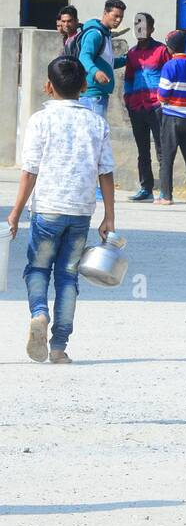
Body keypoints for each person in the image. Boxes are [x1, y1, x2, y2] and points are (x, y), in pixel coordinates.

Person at [8, 55, 115, 364]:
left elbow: (30, 171)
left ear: (47, 86)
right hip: (80, 212)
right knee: (68, 276)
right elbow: (105, 172)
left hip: (47, 211)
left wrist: (15, 213)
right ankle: (59, 347)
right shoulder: (97, 121)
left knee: (38, 269)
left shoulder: (40, 120)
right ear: (84, 85)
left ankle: (39, 314)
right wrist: (109, 216)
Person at [123, 14, 169, 202]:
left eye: (143, 26)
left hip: (157, 107)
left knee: (161, 148)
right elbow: (128, 78)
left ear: (151, 29)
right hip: (137, 107)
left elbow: (169, 75)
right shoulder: (132, 53)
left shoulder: (161, 50)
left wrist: (165, 101)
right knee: (143, 151)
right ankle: (146, 188)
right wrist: (128, 100)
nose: (139, 29)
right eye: (136, 25)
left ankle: (165, 190)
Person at [156, 30, 186, 205]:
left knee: (167, 158)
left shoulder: (169, 66)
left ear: (170, 48)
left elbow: (162, 95)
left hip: (171, 117)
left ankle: (166, 196)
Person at [78, 0, 127, 119]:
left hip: (99, 95)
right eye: (115, 16)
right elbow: (84, 56)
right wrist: (96, 72)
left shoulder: (106, 34)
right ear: (105, 13)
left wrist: (127, 59)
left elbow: (107, 63)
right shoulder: (95, 34)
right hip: (92, 96)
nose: (118, 20)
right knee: (94, 135)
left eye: (121, 17)